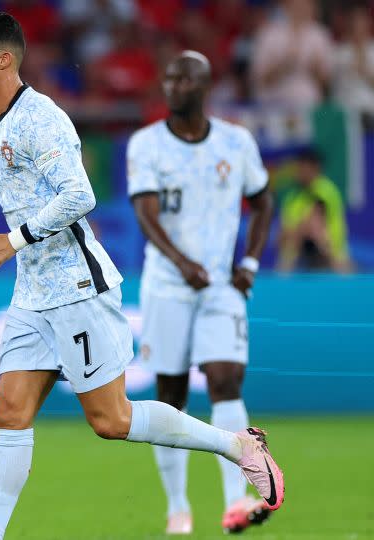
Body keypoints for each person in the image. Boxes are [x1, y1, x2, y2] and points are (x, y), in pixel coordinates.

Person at [0, 12, 285, 539]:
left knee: (112, 421)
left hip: (78, 288)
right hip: (32, 296)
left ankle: (236, 445)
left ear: (4, 59)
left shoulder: (41, 118)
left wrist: (13, 240)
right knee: (9, 412)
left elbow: (80, 195)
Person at [127, 51, 275, 535]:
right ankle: (178, 506)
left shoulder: (236, 141)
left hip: (220, 287)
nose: (173, 84)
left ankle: (235, 502)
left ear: (205, 85)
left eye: (184, 77)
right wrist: (182, 262)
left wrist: (249, 261)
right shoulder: (147, 144)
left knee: (225, 380)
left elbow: (262, 198)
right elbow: (146, 214)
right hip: (167, 287)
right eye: (168, 76)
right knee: (170, 394)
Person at [277, 148, 353, 272]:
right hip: (299, 253)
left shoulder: (327, 192)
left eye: (304, 167)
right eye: (299, 167)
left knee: (314, 230)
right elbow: (282, 236)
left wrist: (300, 229)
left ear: (315, 168)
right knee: (286, 254)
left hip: (329, 253)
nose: (300, 172)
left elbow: (315, 226)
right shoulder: (292, 197)